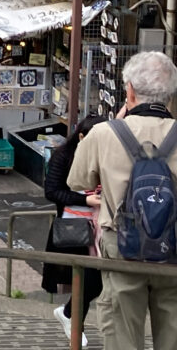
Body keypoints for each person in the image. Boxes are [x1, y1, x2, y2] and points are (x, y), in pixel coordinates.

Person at [68, 51, 177, 350]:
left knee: (122, 333)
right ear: (170, 95)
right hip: (175, 247)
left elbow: (77, 181)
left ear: (129, 90)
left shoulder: (105, 134)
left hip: (123, 247)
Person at [42, 115, 105, 348]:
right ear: (81, 137)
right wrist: (85, 200)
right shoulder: (64, 156)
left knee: (95, 279)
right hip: (75, 226)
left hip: (99, 225)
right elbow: (52, 191)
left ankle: (70, 317)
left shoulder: (104, 155)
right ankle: (73, 321)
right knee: (87, 278)